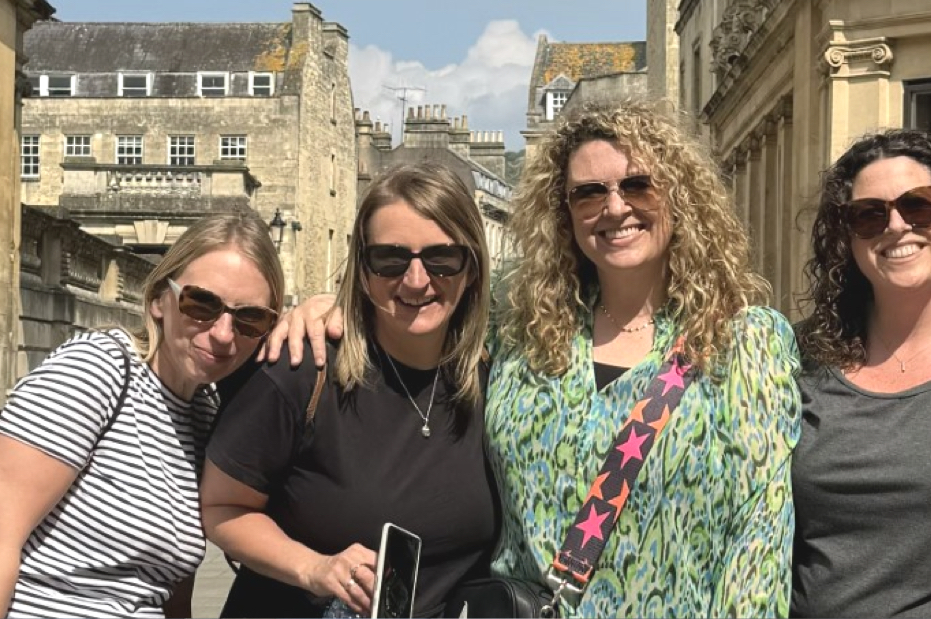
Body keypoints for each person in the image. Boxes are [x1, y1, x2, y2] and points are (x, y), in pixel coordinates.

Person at [270, 100, 802, 618]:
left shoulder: (745, 342)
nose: (614, 208)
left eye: (637, 184)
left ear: (680, 196)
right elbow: (418, 308)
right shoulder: (520, 332)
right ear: (563, 213)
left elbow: (759, 539)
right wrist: (330, 308)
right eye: (588, 193)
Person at [200, 163, 498, 618]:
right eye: (390, 259)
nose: (416, 280)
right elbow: (221, 507)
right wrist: (314, 568)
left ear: (472, 268)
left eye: (442, 258)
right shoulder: (303, 369)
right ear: (362, 269)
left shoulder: (492, 382)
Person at [0, 211, 285, 618]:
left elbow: (168, 590)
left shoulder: (205, 415)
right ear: (158, 299)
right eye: (201, 304)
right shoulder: (97, 371)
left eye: (249, 318)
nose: (223, 334)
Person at [791, 128, 931, 617]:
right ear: (848, 239)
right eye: (869, 215)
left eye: (919, 205)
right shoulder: (798, 362)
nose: (896, 226)